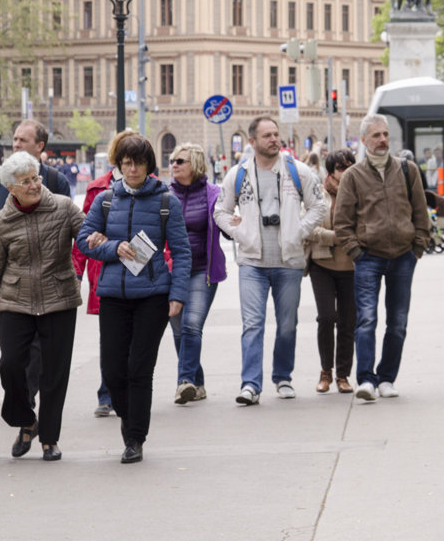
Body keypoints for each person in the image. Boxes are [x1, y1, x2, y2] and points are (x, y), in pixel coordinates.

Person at [76, 134, 191, 464]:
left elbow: (182, 252)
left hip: (152, 296)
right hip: (113, 294)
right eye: (126, 162)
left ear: (148, 165)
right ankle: (130, 418)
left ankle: (135, 438)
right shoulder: (106, 200)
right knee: (113, 370)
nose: (132, 168)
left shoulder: (167, 202)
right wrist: (113, 248)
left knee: (140, 369)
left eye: (138, 162)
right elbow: (84, 240)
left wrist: (178, 294)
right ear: (119, 165)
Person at [0, 151, 86, 461]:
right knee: (10, 365)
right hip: (15, 301)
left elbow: (89, 236)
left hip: (59, 299)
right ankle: (27, 420)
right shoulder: (2, 222)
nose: (34, 185)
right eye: (26, 182)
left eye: (35, 178)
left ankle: (49, 440)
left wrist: (104, 242)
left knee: (54, 374)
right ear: (11, 188)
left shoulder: (64, 208)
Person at [214, 116, 326, 404]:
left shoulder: (297, 171)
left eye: (276, 134)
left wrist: (300, 231)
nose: (274, 139)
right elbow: (221, 212)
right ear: (252, 142)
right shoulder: (238, 174)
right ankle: (250, 385)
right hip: (252, 263)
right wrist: (240, 233)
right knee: (253, 324)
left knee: (287, 324)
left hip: (289, 262)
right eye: (267, 135)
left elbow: (318, 206)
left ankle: (283, 377)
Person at [333, 114, 431, 401]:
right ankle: (366, 379)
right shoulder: (353, 176)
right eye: (376, 135)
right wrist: (356, 252)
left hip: (403, 256)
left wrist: (418, 248)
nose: (382, 140)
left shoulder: (407, 170)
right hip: (368, 258)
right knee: (366, 319)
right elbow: (342, 221)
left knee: (398, 321)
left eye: (385, 134)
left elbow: (421, 212)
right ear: (364, 140)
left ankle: (387, 378)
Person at [72, 131, 135, 417]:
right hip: (107, 271)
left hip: (142, 273)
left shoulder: (157, 188)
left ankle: (129, 391)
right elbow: (84, 236)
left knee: (136, 338)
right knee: (110, 338)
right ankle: (107, 393)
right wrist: (76, 272)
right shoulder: (98, 189)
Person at [167, 143, 227, 404]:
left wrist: (233, 224)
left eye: (181, 161)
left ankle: (185, 382)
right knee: (180, 332)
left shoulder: (214, 194)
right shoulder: (163, 194)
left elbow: (225, 225)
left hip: (202, 270)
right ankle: (197, 383)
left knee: (192, 325)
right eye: (172, 160)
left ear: (197, 165)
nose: (174, 165)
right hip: (172, 272)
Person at [306, 148, 358, 394]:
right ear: (331, 172)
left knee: (348, 322)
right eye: (340, 167)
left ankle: (343, 374)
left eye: (349, 166)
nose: (345, 172)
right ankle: (325, 371)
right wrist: (334, 238)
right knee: (327, 318)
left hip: (352, 266)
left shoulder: (360, 193)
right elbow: (308, 228)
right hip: (322, 264)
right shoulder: (318, 194)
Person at [0, 120, 72, 248]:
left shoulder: (56, 180)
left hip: (46, 265)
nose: (16, 145)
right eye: (15, 139)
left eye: (22, 140)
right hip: (8, 264)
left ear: (40, 146)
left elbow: (67, 224)